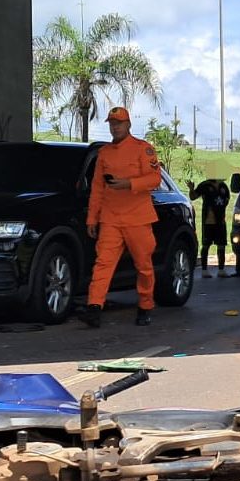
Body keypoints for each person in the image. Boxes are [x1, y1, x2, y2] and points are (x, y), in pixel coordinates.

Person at [80, 106, 162, 328]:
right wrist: (92, 219)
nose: (115, 127)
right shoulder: (104, 153)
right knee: (103, 264)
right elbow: (97, 188)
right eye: (112, 123)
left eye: (119, 123)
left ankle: (145, 305)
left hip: (138, 218)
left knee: (144, 266)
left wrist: (129, 184)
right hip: (111, 219)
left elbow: (154, 179)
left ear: (128, 125)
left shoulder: (143, 149)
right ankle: (94, 307)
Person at [188, 174, 231, 278]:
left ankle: (221, 269)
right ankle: (204, 269)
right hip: (209, 220)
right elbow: (193, 197)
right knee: (206, 244)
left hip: (221, 220)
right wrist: (191, 189)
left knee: (221, 244)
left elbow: (227, 200)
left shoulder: (224, 186)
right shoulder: (204, 185)